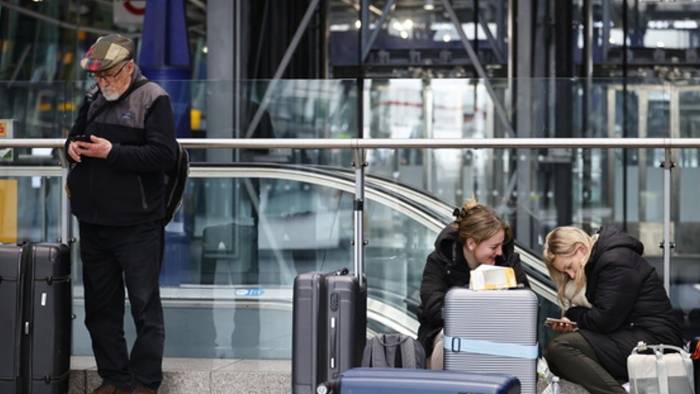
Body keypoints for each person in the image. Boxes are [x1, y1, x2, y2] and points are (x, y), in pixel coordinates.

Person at [64, 34, 177, 394]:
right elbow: (72, 138)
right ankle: (113, 376)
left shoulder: (153, 98)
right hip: (93, 220)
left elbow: (163, 156)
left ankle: (145, 382)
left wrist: (112, 152)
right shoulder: (94, 97)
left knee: (144, 306)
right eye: (98, 77)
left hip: (137, 223)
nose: (103, 83)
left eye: (109, 76)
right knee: (99, 308)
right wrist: (70, 148)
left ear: (129, 68)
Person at [542, 226, 683, 394]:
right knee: (555, 357)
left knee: (561, 348)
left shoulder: (616, 260)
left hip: (656, 340)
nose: (571, 275)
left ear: (581, 249)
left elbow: (603, 320)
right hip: (634, 333)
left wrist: (572, 315)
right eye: (565, 272)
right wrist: (573, 322)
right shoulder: (602, 259)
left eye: (569, 266)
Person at [417, 200, 530, 370]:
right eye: (494, 247)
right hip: (449, 334)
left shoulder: (508, 260)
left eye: (501, 245)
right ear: (471, 244)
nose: (499, 252)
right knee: (449, 342)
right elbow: (434, 309)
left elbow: (526, 305)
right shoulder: (440, 261)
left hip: (500, 333)